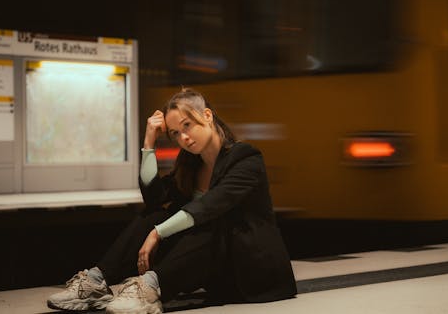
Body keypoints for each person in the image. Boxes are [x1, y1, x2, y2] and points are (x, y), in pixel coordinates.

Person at [47, 88, 297, 313]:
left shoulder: (246, 159)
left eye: (187, 125)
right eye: (176, 133)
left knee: (207, 222)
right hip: (213, 268)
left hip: (254, 272)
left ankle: (150, 288)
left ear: (207, 116)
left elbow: (208, 207)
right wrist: (149, 142)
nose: (183, 138)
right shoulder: (191, 163)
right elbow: (154, 199)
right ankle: (97, 281)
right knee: (155, 216)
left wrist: (157, 234)